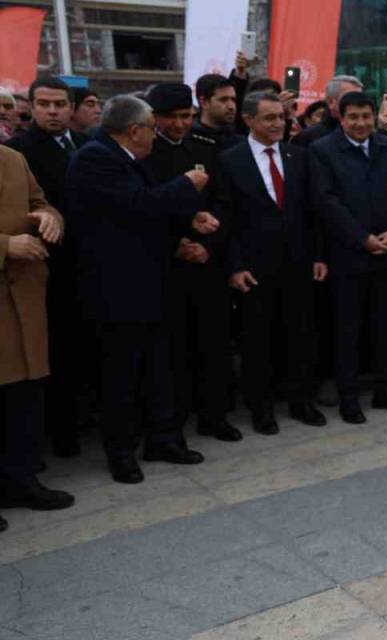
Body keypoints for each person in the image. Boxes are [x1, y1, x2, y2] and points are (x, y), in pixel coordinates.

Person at [65, 95, 219, 484]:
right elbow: (136, 207)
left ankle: (162, 439)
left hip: (151, 282)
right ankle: (121, 452)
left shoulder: (132, 160)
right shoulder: (96, 158)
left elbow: (150, 215)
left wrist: (189, 221)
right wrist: (187, 185)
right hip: (116, 289)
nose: (155, 134)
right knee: (121, 376)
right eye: (152, 127)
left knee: (157, 368)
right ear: (134, 130)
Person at [216, 91, 328, 434]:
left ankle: (300, 401)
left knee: (301, 335)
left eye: (281, 116)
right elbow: (227, 218)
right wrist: (234, 266)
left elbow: (314, 212)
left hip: (298, 262)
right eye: (269, 118)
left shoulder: (299, 156)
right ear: (248, 120)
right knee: (257, 341)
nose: (278, 123)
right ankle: (260, 408)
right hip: (254, 267)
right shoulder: (229, 160)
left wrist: (319, 255)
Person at [140, 83, 242, 444]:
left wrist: (208, 244)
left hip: (208, 263)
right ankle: (172, 423)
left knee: (214, 344)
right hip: (166, 267)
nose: (181, 125)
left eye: (186, 117)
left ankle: (214, 415)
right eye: (173, 118)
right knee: (173, 351)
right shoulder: (144, 154)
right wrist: (178, 244)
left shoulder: (205, 148)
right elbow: (144, 207)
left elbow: (224, 202)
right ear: (155, 119)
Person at [309, 91, 387, 423]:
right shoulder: (322, 150)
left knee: (385, 325)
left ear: (375, 117)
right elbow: (326, 202)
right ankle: (349, 396)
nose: (360, 123)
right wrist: (362, 238)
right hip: (348, 256)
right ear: (341, 118)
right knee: (348, 329)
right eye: (353, 117)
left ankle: (385, 389)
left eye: (366, 116)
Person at [5, 77, 91, 458]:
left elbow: (42, 202)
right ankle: (58, 436)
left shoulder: (86, 146)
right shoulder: (19, 150)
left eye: (59, 104)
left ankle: (78, 424)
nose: (52, 111)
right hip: (35, 274)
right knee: (48, 359)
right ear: (32, 107)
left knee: (79, 352)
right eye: (44, 104)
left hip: (85, 267)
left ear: (71, 107)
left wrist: (48, 213)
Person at [0, 144, 75, 532]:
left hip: (23, 300)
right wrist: (5, 245)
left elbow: (40, 202)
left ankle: (22, 481)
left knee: (24, 396)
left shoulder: (13, 159)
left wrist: (50, 218)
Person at [292, 75, 364, 147]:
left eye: (360, 97)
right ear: (330, 102)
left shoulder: (367, 134)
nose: (357, 102)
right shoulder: (308, 137)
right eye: (349, 97)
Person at [193, 74, 243, 150]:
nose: (231, 106)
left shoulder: (241, 143)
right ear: (203, 102)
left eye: (233, 100)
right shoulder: (185, 141)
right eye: (223, 100)